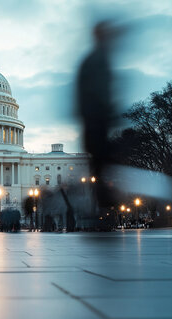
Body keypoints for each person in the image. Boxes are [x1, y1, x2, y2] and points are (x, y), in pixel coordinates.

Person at [76, 21, 118, 210]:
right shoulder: (95, 61)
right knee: (101, 163)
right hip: (95, 121)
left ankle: (103, 201)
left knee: (102, 163)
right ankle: (103, 203)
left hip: (97, 120)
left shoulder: (98, 59)